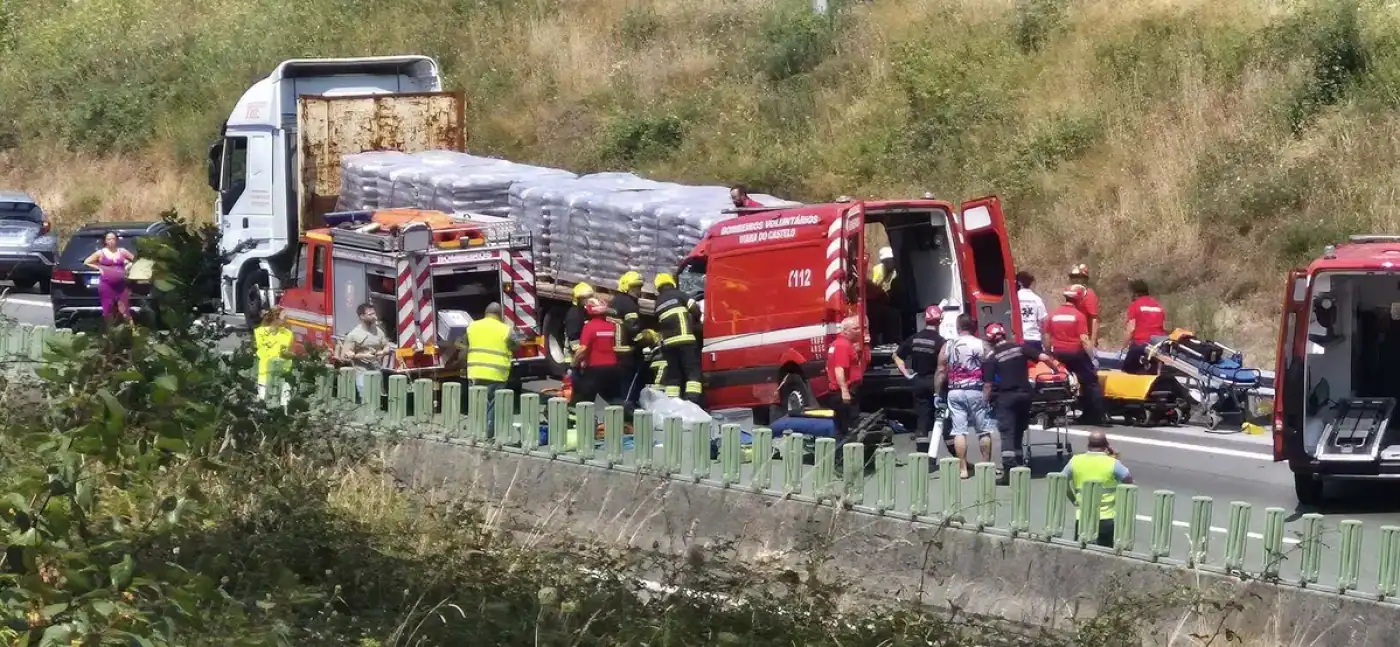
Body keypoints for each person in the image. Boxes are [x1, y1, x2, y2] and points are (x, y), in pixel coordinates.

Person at [982, 322, 1060, 484]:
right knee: (1018, 431)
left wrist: (985, 401)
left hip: (1006, 398)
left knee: (1007, 433)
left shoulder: (992, 357)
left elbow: (988, 384)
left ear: (990, 340)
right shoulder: (1020, 347)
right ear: (1004, 335)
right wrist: (1056, 371)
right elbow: (1044, 357)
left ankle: (1009, 472)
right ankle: (1019, 465)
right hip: (1025, 396)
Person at [935, 314, 996, 479]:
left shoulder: (948, 345)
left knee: (959, 431)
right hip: (976, 390)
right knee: (983, 430)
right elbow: (992, 365)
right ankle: (985, 465)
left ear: (957, 327)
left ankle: (963, 469)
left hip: (955, 391)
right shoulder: (982, 344)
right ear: (973, 327)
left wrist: (937, 393)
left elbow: (941, 371)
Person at [1062, 430, 1133, 547]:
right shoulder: (1113, 463)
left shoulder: (1075, 461)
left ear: (1088, 445)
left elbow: (1061, 480)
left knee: (1080, 552)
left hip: (1083, 516)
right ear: (1106, 446)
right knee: (1105, 554)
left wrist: (1073, 498)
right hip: (1106, 517)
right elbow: (1129, 481)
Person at [1047, 285, 1105, 425]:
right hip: (1075, 353)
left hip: (1058, 353)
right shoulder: (1078, 316)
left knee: (1059, 379)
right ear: (1078, 299)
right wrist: (1092, 357)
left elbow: (1047, 337)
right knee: (1091, 381)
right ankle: (1094, 415)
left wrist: (1049, 354)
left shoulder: (1053, 315)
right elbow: (1084, 339)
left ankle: (1055, 413)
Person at [894, 305, 947, 455]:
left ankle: (922, 455)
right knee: (942, 418)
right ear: (940, 321)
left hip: (918, 381)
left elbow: (896, 356)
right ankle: (945, 452)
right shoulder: (941, 342)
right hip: (935, 382)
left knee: (922, 417)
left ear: (925, 320)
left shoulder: (914, 338)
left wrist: (906, 373)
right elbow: (943, 367)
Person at [466, 302, 520, 437]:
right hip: (496, 373)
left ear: (486, 313)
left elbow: (463, 343)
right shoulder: (506, 329)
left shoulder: (472, 326)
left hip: (475, 372)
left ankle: (476, 434)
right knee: (493, 406)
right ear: (500, 315)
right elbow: (515, 345)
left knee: (478, 405)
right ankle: (488, 435)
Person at [653, 272, 704, 404]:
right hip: (686, 340)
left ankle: (673, 403)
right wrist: (696, 322)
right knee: (692, 373)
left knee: (673, 377)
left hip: (669, 345)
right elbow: (695, 309)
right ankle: (693, 403)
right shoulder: (679, 294)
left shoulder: (658, 303)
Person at [572, 296, 623, 408]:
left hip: (595, 369)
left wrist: (574, 365)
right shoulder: (611, 326)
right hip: (612, 368)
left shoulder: (589, 327)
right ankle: (625, 421)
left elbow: (583, 350)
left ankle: (581, 422)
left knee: (584, 401)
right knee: (614, 399)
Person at [338, 303, 395, 399]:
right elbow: (344, 356)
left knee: (377, 399)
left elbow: (386, 346)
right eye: (370, 314)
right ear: (362, 317)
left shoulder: (378, 331)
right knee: (366, 399)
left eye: (374, 313)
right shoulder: (354, 335)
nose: (374, 316)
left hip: (377, 371)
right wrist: (362, 356)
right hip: (362, 373)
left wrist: (383, 352)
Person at [823, 316, 865, 442]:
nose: (859, 331)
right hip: (844, 392)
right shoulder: (842, 345)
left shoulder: (838, 344)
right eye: (855, 328)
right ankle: (845, 454)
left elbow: (827, 367)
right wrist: (844, 391)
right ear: (846, 331)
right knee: (847, 426)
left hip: (840, 390)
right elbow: (839, 368)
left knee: (841, 425)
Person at [610, 271, 646, 415]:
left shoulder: (615, 301)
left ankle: (618, 406)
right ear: (625, 286)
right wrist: (646, 339)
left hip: (614, 349)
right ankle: (627, 409)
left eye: (639, 287)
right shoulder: (630, 304)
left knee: (619, 383)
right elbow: (633, 328)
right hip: (626, 351)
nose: (638, 291)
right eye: (635, 287)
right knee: (629, 383)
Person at [84, 231, 136, 326]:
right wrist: (99, 268)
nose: (111, 241)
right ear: (105, 241)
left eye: (113, 239)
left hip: (121, 285)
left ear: (116, 240)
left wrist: (128, 265)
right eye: (108, 239)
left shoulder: (122, 251)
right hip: (106, 285)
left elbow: (135, 260)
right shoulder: (101, 253)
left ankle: (133, 333)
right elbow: (87, 262)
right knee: (108, 311)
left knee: (125, 310)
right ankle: (110, 333)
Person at [1123, 279, 1168, 375]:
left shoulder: (1135, 305)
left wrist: (1123, 348)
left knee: (1126, 369)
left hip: (1140, 345)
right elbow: (1164, 327)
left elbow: (1131, 328)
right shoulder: (1158, 305)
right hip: (1158, 346)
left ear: (1135, 293)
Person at [254, 306, 295, 407]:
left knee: (284, 405)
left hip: (283, 374)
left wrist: (290, 354)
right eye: (284, 317)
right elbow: (262, 351)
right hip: (265, 374)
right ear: (276, 318)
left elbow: (289, 351)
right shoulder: (260, 332)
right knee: (265, 405)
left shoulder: (288, 333)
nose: (286, 320)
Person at [1068, 264, 1101, 351]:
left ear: (1084, 279)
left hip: (1085, 339)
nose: (1075, 280)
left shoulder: (1089, 294)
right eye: (1073, 277)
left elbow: (1094, 320)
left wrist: (1092, 342)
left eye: (1078, 277)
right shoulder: (1070, 293)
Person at [1016, 271, 1049, 354]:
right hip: (1034, 339)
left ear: (1019, 283)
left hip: (1019, 339)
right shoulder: (1037, 299)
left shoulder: (1013, 298)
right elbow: (1043, 320)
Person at [565, 283, 594, 366]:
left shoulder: (584, 311)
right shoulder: (574, 315)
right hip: (575, 359)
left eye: (590, 297)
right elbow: (574, 339)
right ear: (578, 299)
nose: (589, 300)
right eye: (585, 298)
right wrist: (581, 358)